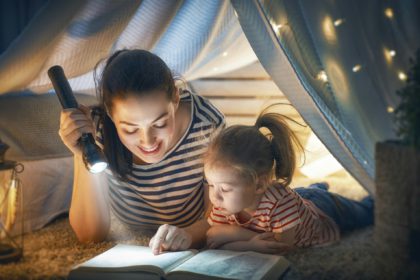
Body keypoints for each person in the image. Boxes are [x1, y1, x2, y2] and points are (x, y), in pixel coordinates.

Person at [59, 49, 224, 254]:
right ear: (110, 114)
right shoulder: (96, 129)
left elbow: (219, 213)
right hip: (130, 231)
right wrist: (81, 152)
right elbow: (90, 236)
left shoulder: (206, 122)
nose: (148, 141)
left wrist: (189, 234)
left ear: (175, 97)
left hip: (189, 224)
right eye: (130, 129)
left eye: (161, 123)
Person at [204, 111, 373, 254]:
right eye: (211, 184)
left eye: (225, 188)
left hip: (324, 210)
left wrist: (236, 238)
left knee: (366, 213)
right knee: (301, 197)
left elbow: (280, 248)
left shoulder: (280, 203)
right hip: (298, 201)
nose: (215, 196)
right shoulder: (223, 202)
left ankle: (322, 191)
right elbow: (213, 236)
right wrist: (251, 244)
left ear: (259, 185)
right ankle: (315, 188)